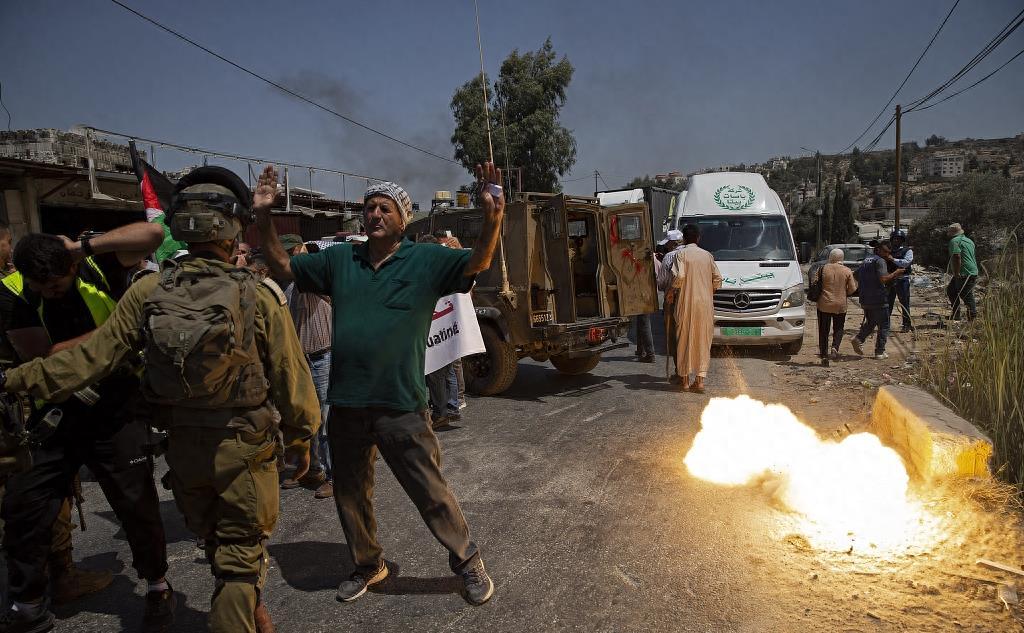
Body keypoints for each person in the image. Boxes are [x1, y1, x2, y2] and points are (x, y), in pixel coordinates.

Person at [1, 166, 319, 633]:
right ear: (233, 229)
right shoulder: (257, 292)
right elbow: (293, 378)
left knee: (215, 540)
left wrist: (17, 379)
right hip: (244, 450)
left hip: (182, 450)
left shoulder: (149, 290)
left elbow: (90, 358)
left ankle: (253, 614)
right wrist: (303, 437)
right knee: (239, 562)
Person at [255, 162, 504, 606]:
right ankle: (368, 563)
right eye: (369, 207)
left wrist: (493, 218)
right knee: (350, 494)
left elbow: (478, 262)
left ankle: (467, 562)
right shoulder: (339, 259)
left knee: (429, 490)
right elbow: (280, 265)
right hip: (348, 404)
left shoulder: (425, 259)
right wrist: (263, 216)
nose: (374, 215)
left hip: (401, 403)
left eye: (384, 208)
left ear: (402, 218)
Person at [0, 222, 174, 633]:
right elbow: (40, 358)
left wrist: (83, 247)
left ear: (71, 267)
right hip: (55, 414)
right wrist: (117, 334)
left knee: (136, 503)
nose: (48, 293)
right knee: (26, 506)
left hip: (117, 409)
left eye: (56, 285)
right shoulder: (11, 292)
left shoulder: (96, 266)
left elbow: (152, 235)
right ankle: (27, 602)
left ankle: (157, 585)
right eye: (40, 288)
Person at [277, 234, 334, 499]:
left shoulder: (313, 276)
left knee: (325, 420)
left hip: (322, 357)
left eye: (294, 251)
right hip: (302, 361)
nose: (291, 257)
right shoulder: (287, 287)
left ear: (302, 249)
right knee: (307, 419)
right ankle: (313, 469)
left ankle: (334, 475)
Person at [666, 225, 722, 393]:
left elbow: (679, 277)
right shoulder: (707, 256)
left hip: (686, 302)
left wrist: (671, 291)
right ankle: (700, 381)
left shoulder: (680, 254)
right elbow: (718, 279)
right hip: (704, 304)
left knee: (683, 339)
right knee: (703, 341)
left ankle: (684, 382)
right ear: (698, 238)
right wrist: (707, 290)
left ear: (684, 238)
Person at [851, 240, 905, 360]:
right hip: (879, 298)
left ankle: (859, 338)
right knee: (884, 325)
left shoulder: (867, 260)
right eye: (885, 251)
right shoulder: (880, 261)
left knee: (871, 322)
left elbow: (855, 275)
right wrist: (896, 273)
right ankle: (879, 351)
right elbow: (883, 279)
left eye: (888, 252)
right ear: (879, 250)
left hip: (865, 298)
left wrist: (868, 283)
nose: (887, 254)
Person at [814, 248, 857, 367]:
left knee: (823, 330)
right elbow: (852, 289)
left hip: (824, 304)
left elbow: (815, 283)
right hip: (840, 304)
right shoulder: (847, 271)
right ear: (841, 258)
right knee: (838, 328)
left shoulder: (822, 269)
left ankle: (823, 355)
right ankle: (835, 348)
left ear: (830, 257)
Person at [655, 229, 684, 377]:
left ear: (672, 243)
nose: (666, 247)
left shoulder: (669, 256)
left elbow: (661, 283)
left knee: (674, 337)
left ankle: (680, 372)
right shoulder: (695, 254)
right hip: (693, 300)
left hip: (672, 301)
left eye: (667, 244)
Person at [946, 223, 978, 321]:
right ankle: (956, 314)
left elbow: (957, 256)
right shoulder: (969, 241)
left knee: (966, 295)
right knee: (951, 290)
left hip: (964, 272)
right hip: (972, 271)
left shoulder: (954, 241)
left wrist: (956, 273)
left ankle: (972, 318)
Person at [886, 229, 914, 332]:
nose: (896, 241)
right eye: (894, 239)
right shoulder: (888, 251)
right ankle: (886, 325)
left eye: (898, 239)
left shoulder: (907, 251)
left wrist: (893, 259)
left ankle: (907, 325)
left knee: (904, 303)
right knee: (888, 304)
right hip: (890, 280)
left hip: (902, 280)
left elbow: (906, 263)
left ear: (902, 240)